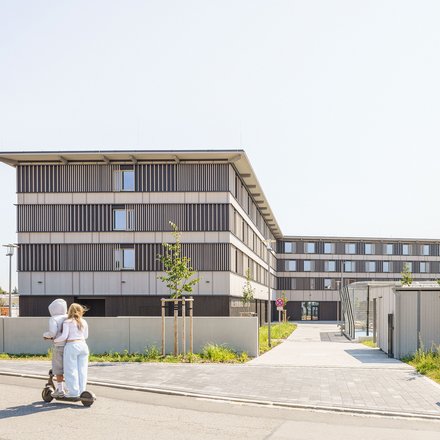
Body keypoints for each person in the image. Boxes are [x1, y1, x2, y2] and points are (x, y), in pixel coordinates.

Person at [54, 303, 89, 399]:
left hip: (72, 345)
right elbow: (86, 336)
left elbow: (64, 336)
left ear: (70, 311)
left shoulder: (67, 322)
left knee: (70, 370)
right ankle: (82, 391)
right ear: (80, 311)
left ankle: (73, 392)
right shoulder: (84, 322)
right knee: (82, 370)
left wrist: (55, 340)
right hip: (83, 345)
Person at [43, 298, 68, 398]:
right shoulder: (68, 316)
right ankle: (69, 387)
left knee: (58, 368)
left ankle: (60, 390)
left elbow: (52, 333)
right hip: (69, 346)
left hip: (59, 346)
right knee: (68, 368)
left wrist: (45, 335)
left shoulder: (54, 318)